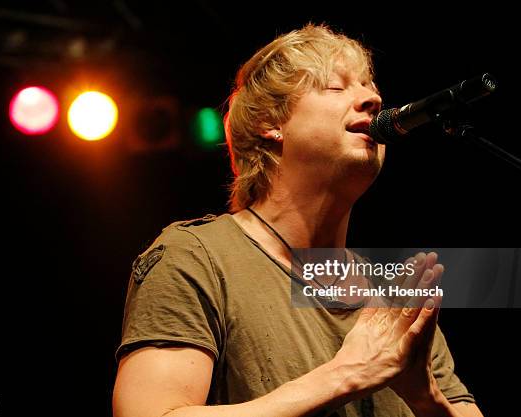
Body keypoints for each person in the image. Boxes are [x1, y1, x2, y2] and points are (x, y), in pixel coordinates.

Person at [113, 24, 484, 417]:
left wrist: (425, 396)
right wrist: (346, 375)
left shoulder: (392, 298)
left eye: (370, 86)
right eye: (337, 88)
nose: (373, 99)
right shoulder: (197, 256)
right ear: (270, 122)